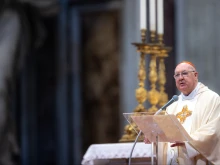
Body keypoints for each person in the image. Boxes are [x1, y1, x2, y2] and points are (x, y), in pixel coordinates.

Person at [145, 61, 220, 165]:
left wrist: (188, 143)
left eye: (184, 73)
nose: (180, 78)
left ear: (195, 75)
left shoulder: (212, 99)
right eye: (177, 75)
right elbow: (166, 135)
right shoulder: (173, 104)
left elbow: (214, 131)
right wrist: (155, 136)